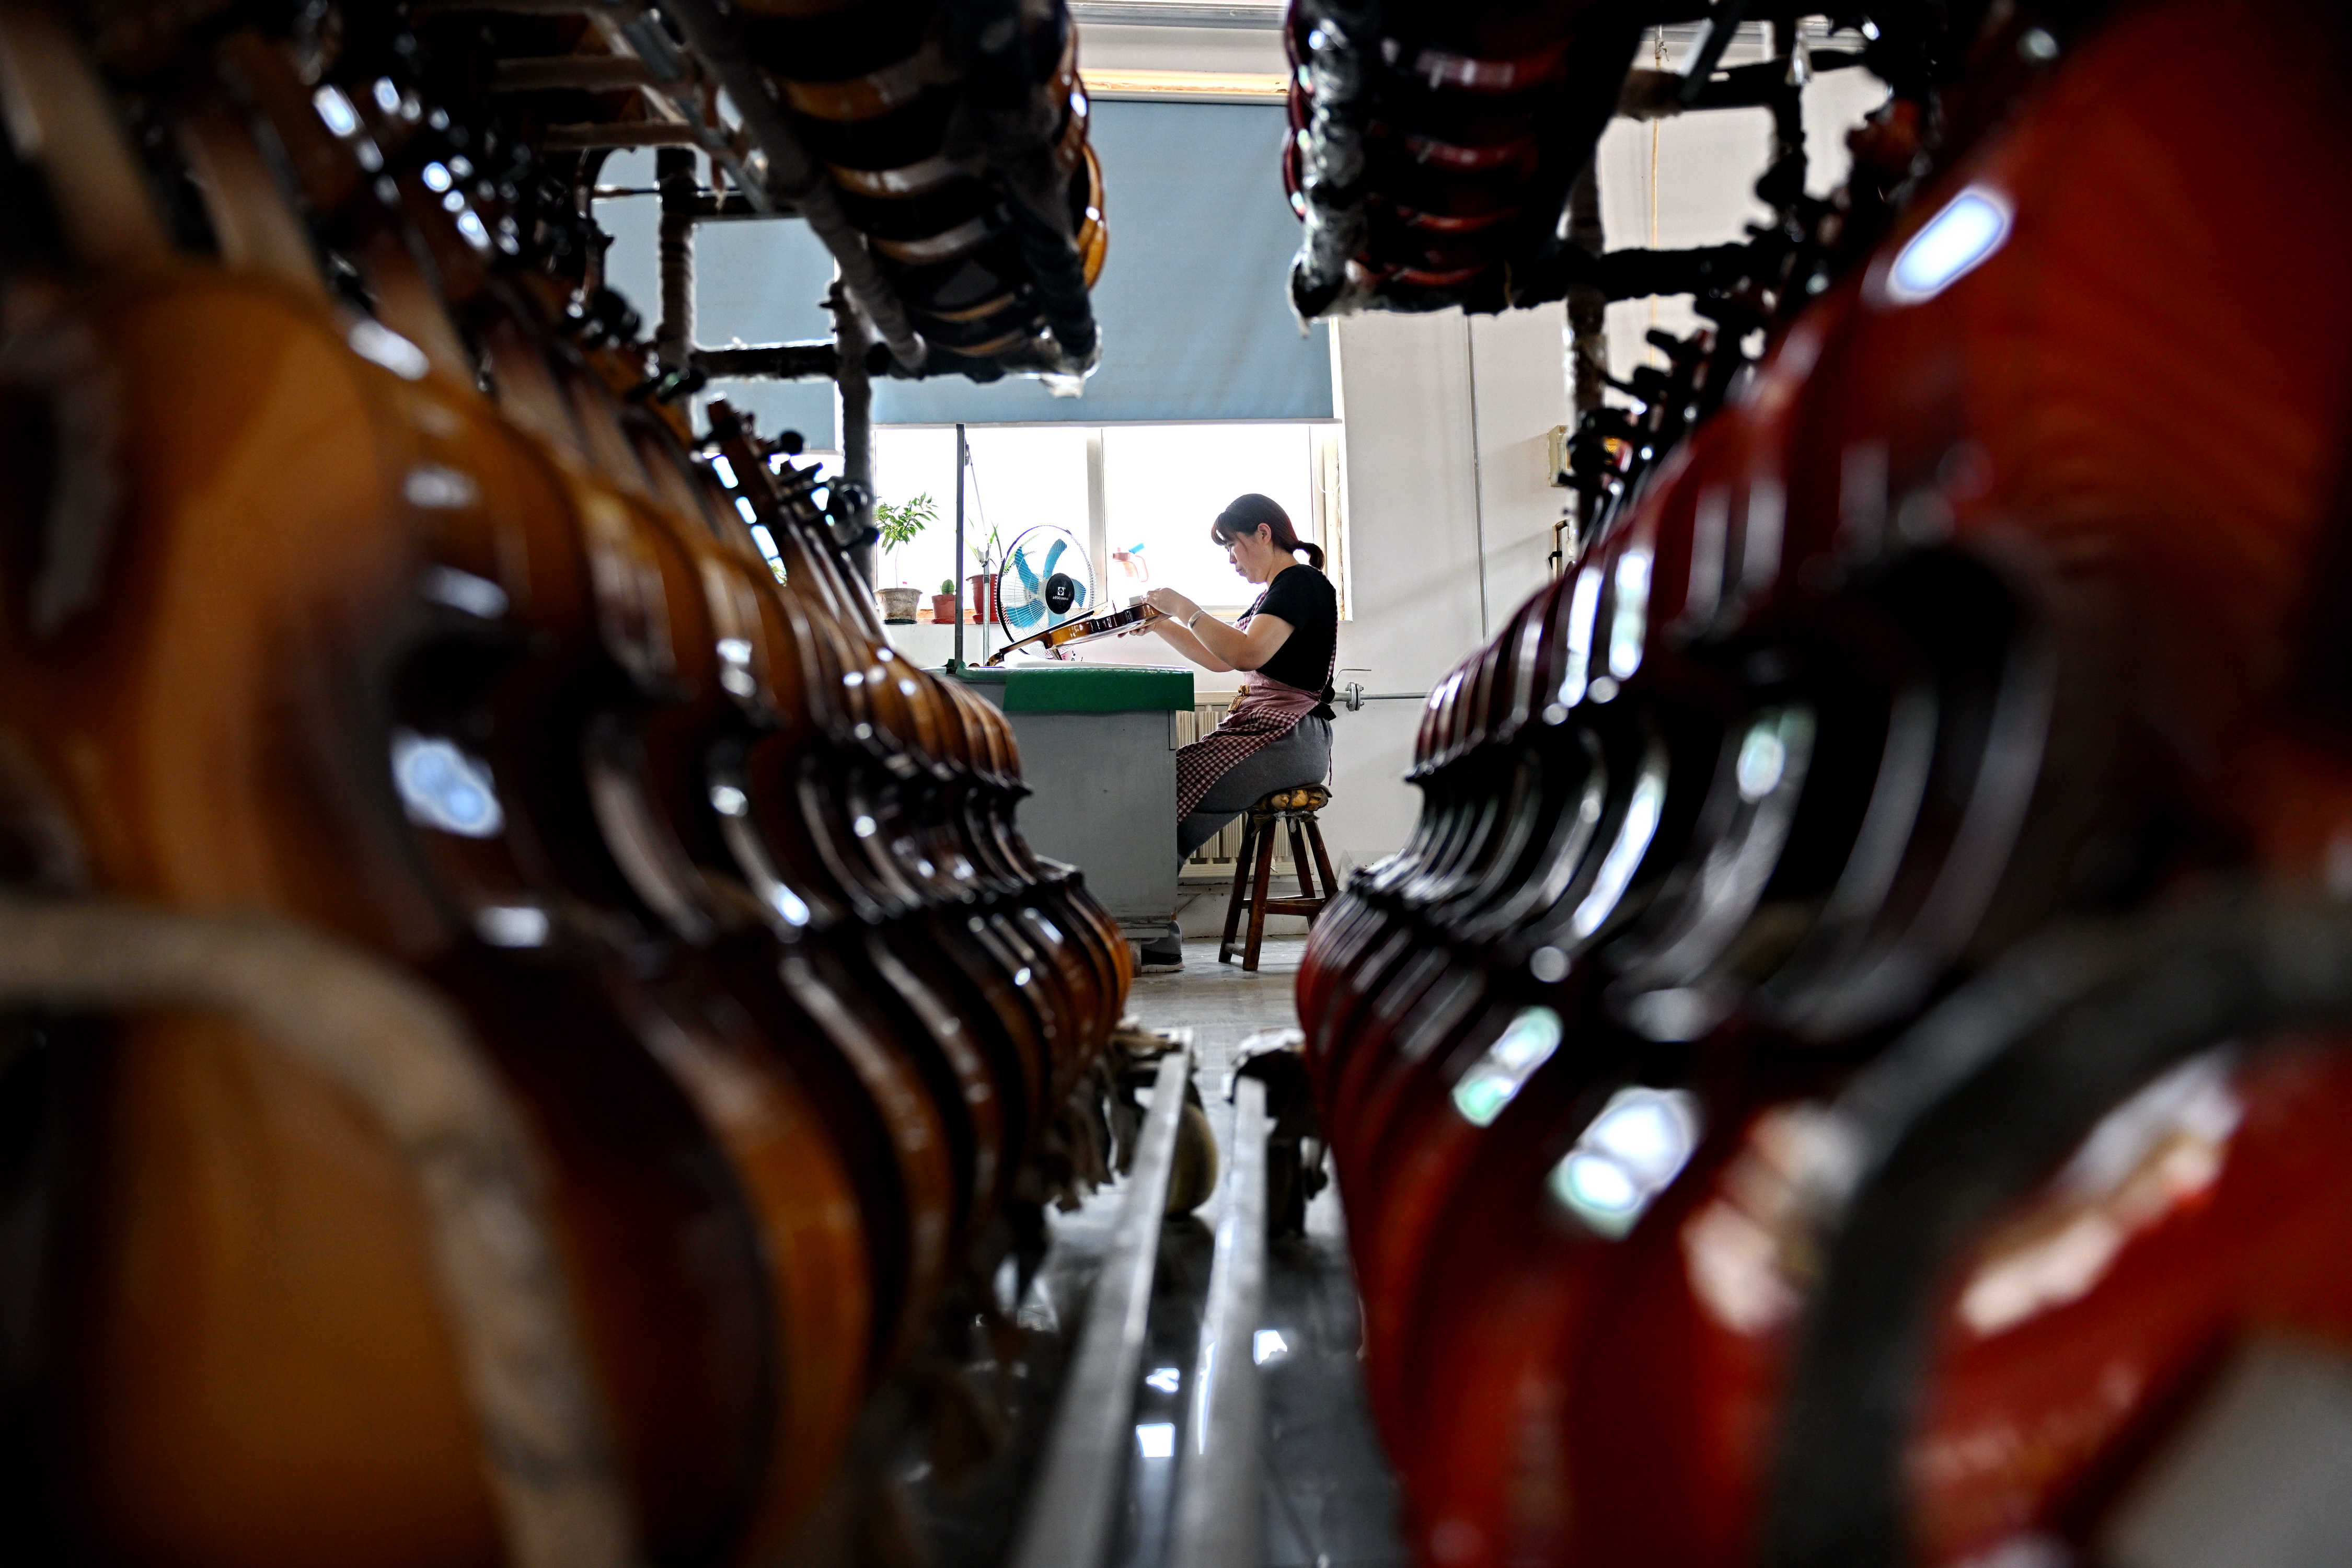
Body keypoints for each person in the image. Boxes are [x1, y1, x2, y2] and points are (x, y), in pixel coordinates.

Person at [1130, 493, 1336, 972]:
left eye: (1232, 545)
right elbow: (1219, 658)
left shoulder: (1301, 582)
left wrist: (1184, 607)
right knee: (1162, 790)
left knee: (1163, 793)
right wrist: (1159, 624)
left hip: (1289, 736)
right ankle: (1151, 930)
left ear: (1263, 533)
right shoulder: (1275, 593)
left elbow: (1246, 654)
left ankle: (1152, 934)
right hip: (1277, 734)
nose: (1231, 559)